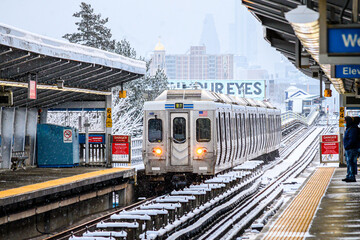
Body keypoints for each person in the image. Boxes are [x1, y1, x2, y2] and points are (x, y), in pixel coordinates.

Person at [343, 116, 359, 182]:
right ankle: (349, 175)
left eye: (345, 121)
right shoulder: (350, 128)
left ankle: (352, 177)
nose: (344, 122)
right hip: (350, 148)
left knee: (351, 162)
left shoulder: (353, 129)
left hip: (351, 149)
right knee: (350, 163)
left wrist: (347, 146)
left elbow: (352, 139)